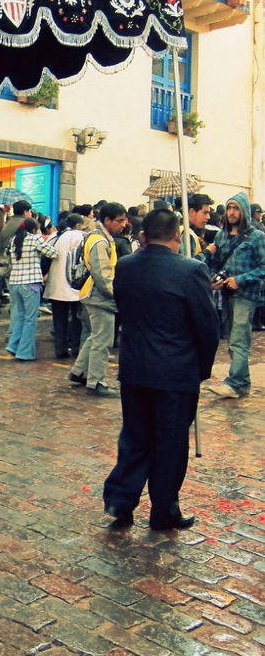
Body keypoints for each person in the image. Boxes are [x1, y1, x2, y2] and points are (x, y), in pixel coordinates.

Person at [103, 209, 218, 531]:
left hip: (136, 366)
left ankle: (120, 501)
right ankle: (164, 510)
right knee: (170, 443)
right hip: (175, 371)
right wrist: (201, 368)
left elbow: (124, 310)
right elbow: (207, 327)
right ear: (177, 236)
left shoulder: (126, 266)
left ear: (144, 235)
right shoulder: (191, 270)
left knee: (135, 437)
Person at [206, 192, 265, 398]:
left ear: (244, 212)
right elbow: (217, 264)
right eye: (229, 208)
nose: (231, 212)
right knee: (232, 339)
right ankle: (242, 384)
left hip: (246, 294)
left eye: (236, 208)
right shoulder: (221, 235)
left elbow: (263, 267)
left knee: (239, 340)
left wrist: (240, 279)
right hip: (226, 295)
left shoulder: (257, 237)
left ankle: (234, 382)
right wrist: (216, 277)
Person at [68, 202, 128, 397]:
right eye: (119, 221)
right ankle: (96, 381)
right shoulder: (99, 241)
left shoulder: (100, 238)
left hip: (92, 294)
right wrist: (117, 294)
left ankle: (78, 371)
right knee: (103, 340)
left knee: (95, 336)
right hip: (98, 296)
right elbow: (103, 275)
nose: (123, 224)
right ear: (107, 221)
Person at [5, 218, 57, 361]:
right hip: (30, 283)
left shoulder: (13, 240)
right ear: (34, 229)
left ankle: (14, 345)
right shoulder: (35, 239)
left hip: (15, 283)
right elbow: (53, 253)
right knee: (30, 319)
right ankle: (24, 352)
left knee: (20, 316)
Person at [44, 213, 85, 359]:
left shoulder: (54, 237)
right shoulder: (79, 236)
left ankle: (60, 349)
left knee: (59, 319)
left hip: (56, 284)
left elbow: (46, 258)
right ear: (78, 225)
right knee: (76, 318)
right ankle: (75, 348)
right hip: (74, 285)